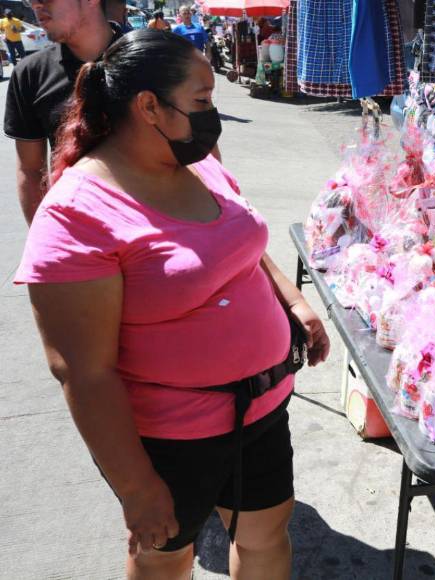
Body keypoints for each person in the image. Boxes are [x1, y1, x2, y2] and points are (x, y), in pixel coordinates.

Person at [16, 29, 330, 580]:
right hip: (172, 438)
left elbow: (241, 241)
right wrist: (137, 487)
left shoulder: (198, 160)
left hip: (261, 407)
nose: (214, 115)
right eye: (202, 101)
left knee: (265, 535)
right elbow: (83, 372)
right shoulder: (75, 215)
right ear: (149, 107)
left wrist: (291, 298)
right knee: (164, 558)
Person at [4, 0, 121, 225]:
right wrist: (47, 242)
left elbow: (197, 153)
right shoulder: (30, 73)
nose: (35, 6)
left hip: (158, 237)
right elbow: (30, 171)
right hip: (81, 235)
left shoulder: (155, 58)